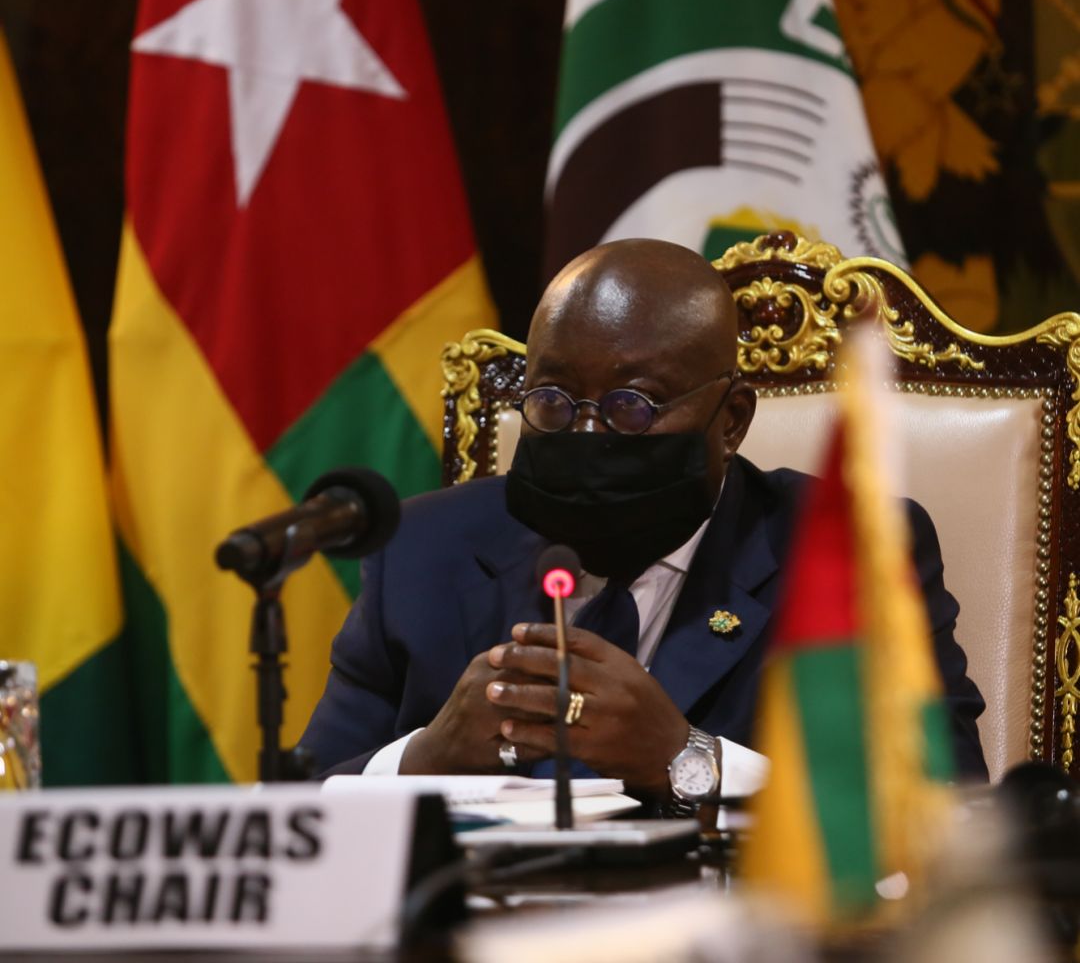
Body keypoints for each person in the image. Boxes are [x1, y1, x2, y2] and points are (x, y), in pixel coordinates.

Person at [301, 239, 987, 804]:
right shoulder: (422, 550)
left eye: (634, 406)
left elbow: (945, 808)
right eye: (554, 400)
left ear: (732, 422)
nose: (589, 431)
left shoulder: (843, 554)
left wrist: (687, 760)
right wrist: (427, 756)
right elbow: (299, 807)